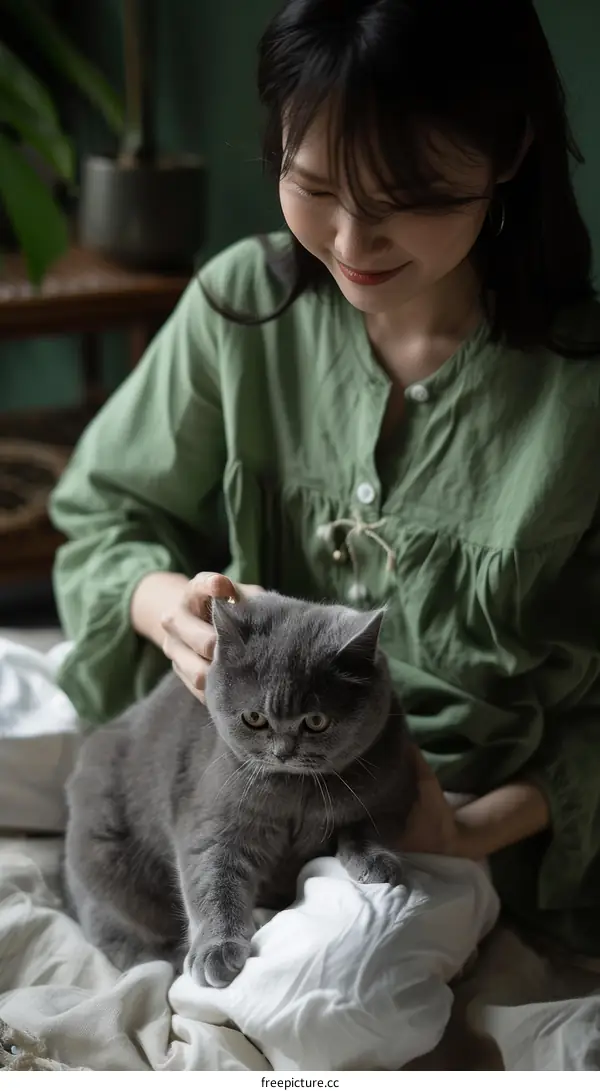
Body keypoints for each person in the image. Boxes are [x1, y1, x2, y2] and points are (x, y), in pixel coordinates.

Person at [50, 0, 600, 957]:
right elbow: (103, 517)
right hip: (228, 788)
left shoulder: (579, 393)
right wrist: (164, 606)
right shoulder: (241, 309)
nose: (350, 241)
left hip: (444, 831)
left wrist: (467, 831)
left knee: (340, 984)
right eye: (311, 186)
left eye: (408, 197)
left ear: (508, 150)